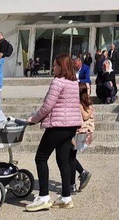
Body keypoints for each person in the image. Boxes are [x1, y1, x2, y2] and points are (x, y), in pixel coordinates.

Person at [25, 54, 82, 211]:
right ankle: (65, 197)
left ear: (61, 67)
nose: (53, 68)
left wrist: (34, 119)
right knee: (62, 160)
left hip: (57, 125)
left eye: (55, 65)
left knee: (41, 158)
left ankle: (43, 197)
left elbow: (47, 106)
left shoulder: (57, 82)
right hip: (71, 126)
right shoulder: (73, 83)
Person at [71, 87, 95, 192]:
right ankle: (76, 178)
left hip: (77, 133)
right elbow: (87, 116)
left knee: (69, 158)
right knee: (71, 157)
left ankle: (80, 175)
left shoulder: (78, 104)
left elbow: (84, 117)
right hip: (85, 133)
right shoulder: (88, 104)